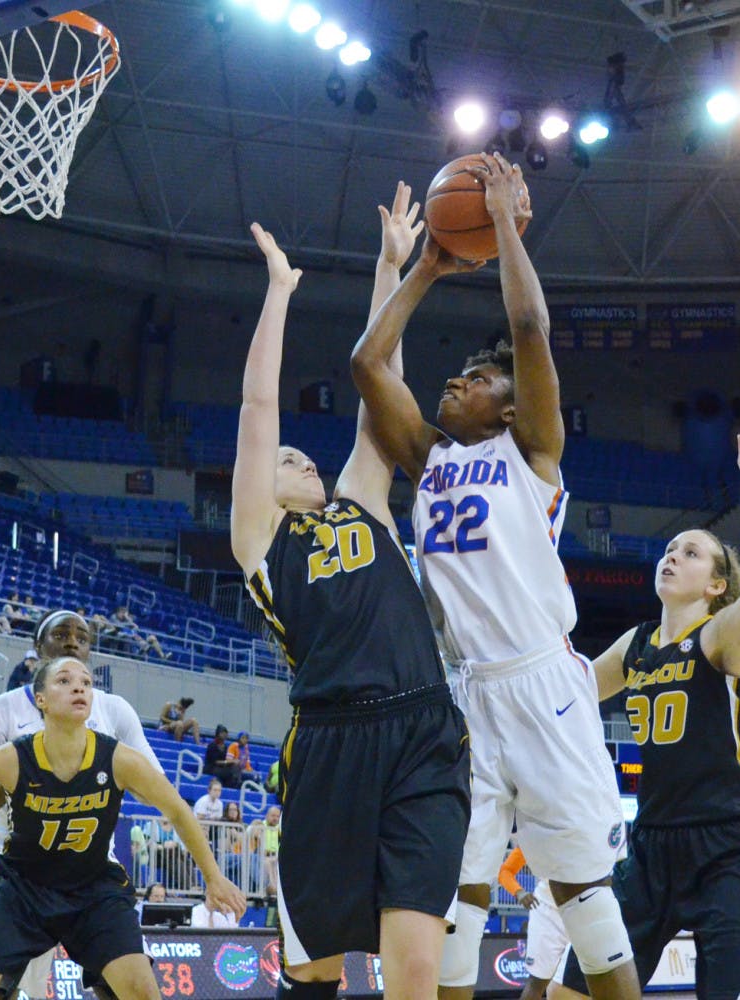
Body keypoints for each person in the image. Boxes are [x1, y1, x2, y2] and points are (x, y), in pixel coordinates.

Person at [350, 155, 639, 1000]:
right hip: (468, 688)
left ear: (509, 409)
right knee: (458, 890)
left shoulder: (531, 457)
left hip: (545, 681)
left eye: (475, 380)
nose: (455, 380)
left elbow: (528, 332)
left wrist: (505, 227)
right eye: (458, 374)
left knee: (580, 892)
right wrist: (427, 269)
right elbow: (369, 365)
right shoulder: (428, 460)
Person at [230, 187, 470, 1000]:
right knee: (316, 969)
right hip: (330, 742)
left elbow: (382, 381)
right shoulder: (259, 540)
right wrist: (278, 293)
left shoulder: (363, 500)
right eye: (285, 459)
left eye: (306, 457)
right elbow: (258, 405)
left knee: (413, 965)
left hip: (422, 724)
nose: (298, 462)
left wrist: (389, 268)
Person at [0, 655, 245, 999]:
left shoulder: (118, 759)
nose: (79, 687)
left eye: (86, 682)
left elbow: (177, 810)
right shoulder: (13, 757)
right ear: (39, 699)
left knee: (141, 992)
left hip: (94, 890)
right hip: (23, 889)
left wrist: (214, 877)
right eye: (64, 681)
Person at [549, 525, 740, 1000]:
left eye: (691, 553)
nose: (672, 556)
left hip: (725, 844)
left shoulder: (718, 632)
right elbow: (566, 698)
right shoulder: (637, 645)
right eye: (670, 549)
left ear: (717, 585)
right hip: (650, 849)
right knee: (569, 993)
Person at [0, 608, 166, 1000]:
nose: (73, 642)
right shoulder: (3, 709)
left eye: (83, 637)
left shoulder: (114, 709)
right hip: (20, 876)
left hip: (91, 873)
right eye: (62, 634)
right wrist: (28, 783)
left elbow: (153, 788)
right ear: (37, 646)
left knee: (126, 987)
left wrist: (101, 778)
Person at [499, 846, 567, 1000]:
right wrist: (519, 892)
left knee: (581, 982)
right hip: (546, 911)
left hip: (580, 911)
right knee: (537, 983)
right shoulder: (535, 833)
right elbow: (505, 871)